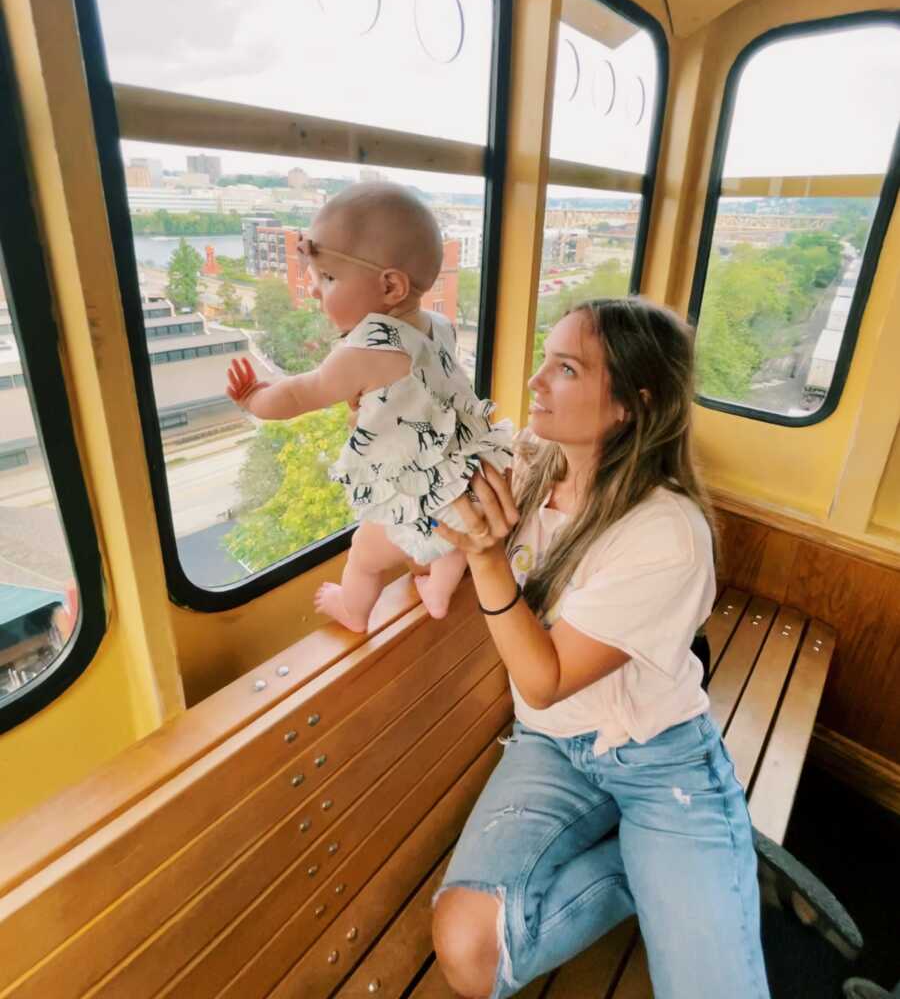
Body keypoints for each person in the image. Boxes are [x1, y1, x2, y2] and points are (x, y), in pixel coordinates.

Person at [430, 297, 772, 999]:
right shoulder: (529, 468)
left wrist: (488, 558)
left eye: (565, 368)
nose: (535, 382)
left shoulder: (665, 531)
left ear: (629, 404)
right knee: (469, 955)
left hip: (658, 762)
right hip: (552, 747)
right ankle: (638, 864)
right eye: (544, 360)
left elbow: (545, 675)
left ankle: (680, 845)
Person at [226, 182, 513, 632]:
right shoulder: (438, 325)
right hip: (469, 480)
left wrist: (255, 399)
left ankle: (354, 611)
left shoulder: (364, 351)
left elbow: (301, 394)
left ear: (391, 286)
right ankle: (438, 585)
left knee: (363, 553)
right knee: (456, 528)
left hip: (424, 503)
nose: (316, 291)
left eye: (328, 278)